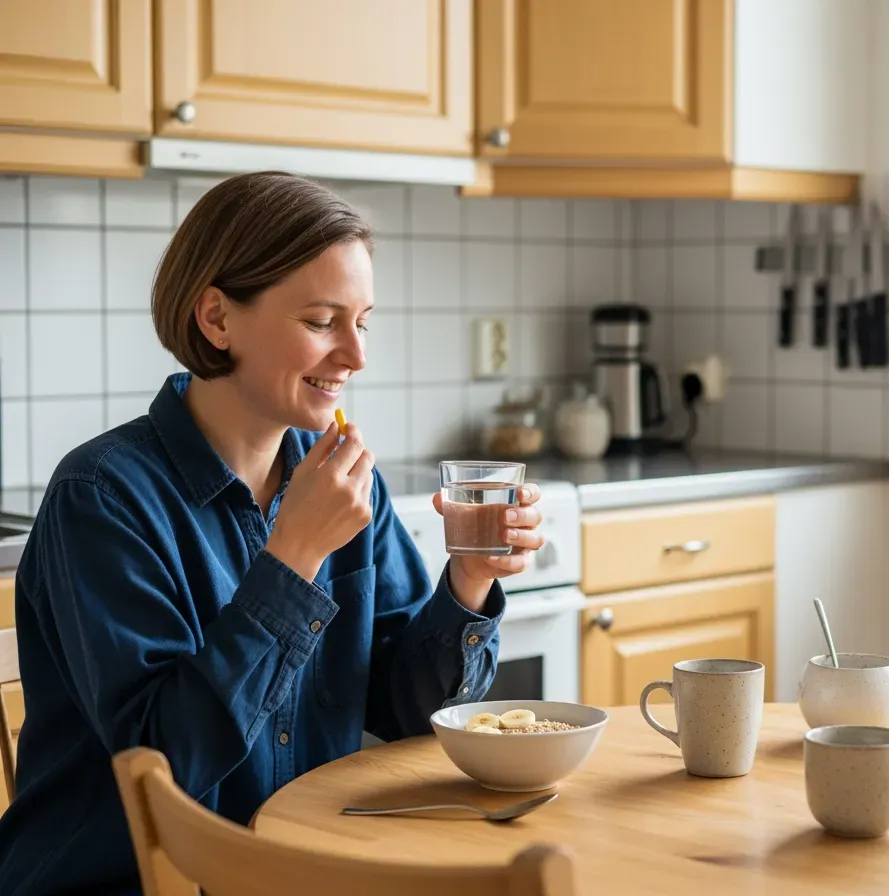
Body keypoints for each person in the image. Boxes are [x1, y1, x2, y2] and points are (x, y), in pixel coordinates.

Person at [0, 171, 543, 895]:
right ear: (217, 319)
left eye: (362, 322)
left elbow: (410, 712)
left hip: (294, 870)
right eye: (321, 322)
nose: (355, 356)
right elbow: (163, 766)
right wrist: (293, 558)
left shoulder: (345, 482)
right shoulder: (101, 497)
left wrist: (469, 582)